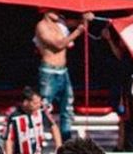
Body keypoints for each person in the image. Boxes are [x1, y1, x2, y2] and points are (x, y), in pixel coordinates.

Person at [35, 10, 93, 139]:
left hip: (63, 70)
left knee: (67, 106)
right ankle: (44, 133)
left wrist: (85, 19)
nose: (57, 13)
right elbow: (58, 45)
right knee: (45, 106)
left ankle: (66, 136)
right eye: (53, 10)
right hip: (49, 71)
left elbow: (76, 23)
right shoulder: (41, 26)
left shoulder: (60, 23)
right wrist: (78, 31)